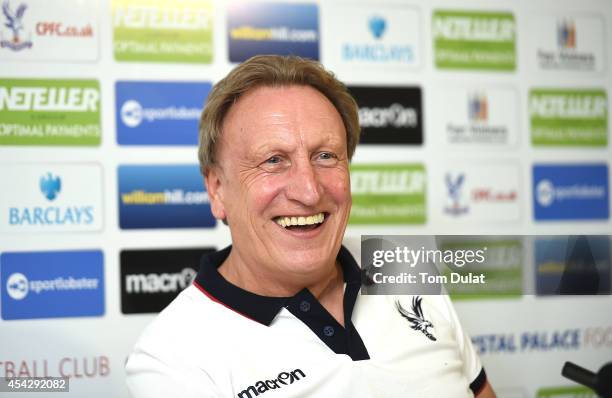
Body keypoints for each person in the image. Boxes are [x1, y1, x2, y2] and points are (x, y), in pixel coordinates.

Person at [125, 55, 496, 398]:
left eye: (325, 156)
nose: (309, 190)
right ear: (217, 189)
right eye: (273, 160)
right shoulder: (170, 359)